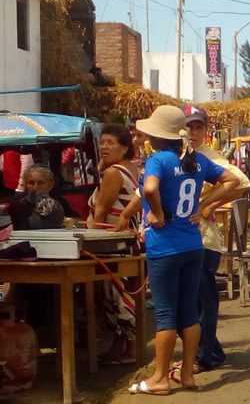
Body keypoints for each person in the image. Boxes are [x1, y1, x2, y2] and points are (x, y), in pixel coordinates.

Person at [128, 105, 238, 395]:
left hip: (164, 247)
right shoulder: (197, 161)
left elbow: (150, 189)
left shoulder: (158, 161)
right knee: (190, 313)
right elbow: (232, 181)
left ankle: (160, 378)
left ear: (155, 137)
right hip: (193, 244)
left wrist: (158, 214)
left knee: (165, 315)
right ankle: (188, 374)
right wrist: (203, 206)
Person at [180, 104, 250, 377]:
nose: (193, 132)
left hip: (204, 241)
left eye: (198, 127)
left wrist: (208, 204)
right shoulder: (180, 155)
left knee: (202, 302)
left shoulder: (208, 157)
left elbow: (241, 183)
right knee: (190, 302)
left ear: (205, 130)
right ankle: (211, 352)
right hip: (186, 240)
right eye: (189, 126)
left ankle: (205, 356)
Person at [87, 124, 141, 365]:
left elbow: (101, 210)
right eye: (102, 142)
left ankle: (127, 349)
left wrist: (93, 240)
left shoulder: (113, 173)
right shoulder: (132, 169)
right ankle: (123, 346)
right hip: (128, 241)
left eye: (111, 143)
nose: (104, 147)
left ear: (125, 147)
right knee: (123, 292)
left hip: (111, 243)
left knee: (114, 293)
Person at [6, 165, 72, 230]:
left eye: (40, 183)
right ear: (25, 184)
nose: (35, 188)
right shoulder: (18, 204)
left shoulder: (61, 202)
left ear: (51, 185)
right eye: (31, 183)